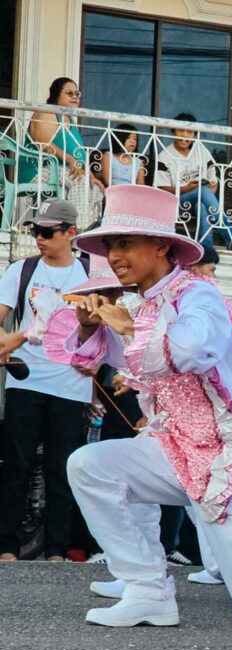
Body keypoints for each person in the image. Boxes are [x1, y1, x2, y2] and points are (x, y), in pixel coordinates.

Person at [2, 184, 232, 629]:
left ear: (161, 245)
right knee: (90, 465)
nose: (115, 255)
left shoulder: (198, 296)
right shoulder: (145, 304)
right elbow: (101, 357)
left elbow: (188, 352)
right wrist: (90, 328)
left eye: (125, 242)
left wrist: (124, 329)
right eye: (110, 244)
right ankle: (147, 590)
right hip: (176, 450)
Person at [0, 199, 92, 561]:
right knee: (15, 465)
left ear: (71, 233)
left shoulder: (89, 274)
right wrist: (14, 340)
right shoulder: (21, 270)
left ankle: (56, 549)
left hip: (71, 384)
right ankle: (6, 546)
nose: (39, 238)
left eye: (48, 232)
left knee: (62, 468)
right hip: (26, 379)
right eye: (35, 230)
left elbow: (110, 331)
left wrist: (98, 362)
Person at [155, 113, 232, 251]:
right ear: (173, 131)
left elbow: (213, 183)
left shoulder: (201, 152)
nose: (185, 135)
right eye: (181, 130)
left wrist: (206, 193)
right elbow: (162, 188)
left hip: (199, 199)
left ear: (194, 135)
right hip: (176, 203)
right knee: (202, 192)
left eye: (189, 132)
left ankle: (206, 248)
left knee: (201, 205)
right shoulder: (164, 156)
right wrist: (187, 188)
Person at [28, 77, 104, 228]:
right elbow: (42, 142)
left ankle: (81, 228)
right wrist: (69, 160)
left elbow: (79, 155)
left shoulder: (69, 119)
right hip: (38, 170)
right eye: (69, 93)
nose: (75, 97)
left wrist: (91, 175)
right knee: (80, 182)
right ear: (56, 94)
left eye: (77, 94)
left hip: (62, 172)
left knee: (95, 189)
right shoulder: (47, 112)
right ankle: (77, 230)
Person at [100, 123, 146, 187]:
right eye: (128, 138)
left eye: (135, 139)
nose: (132, 141)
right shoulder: (108, 156)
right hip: (114, 192)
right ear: (120, 138)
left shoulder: (138, 162)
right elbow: (107, 182)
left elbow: (141, 186)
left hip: (132, 194)